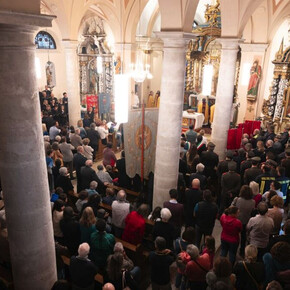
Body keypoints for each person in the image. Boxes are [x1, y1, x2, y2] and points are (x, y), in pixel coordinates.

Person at [232, 185, 255, 257]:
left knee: (234, 235)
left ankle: (233, 249)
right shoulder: (253, 202)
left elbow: (231, 208)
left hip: (236, 220)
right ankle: (242, 251)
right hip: (246, 221)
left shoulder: (237, 199)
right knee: (244, 237)